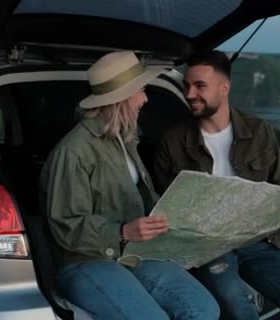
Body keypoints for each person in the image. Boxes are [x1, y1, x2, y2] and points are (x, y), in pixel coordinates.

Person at [39, 51, 219, 320]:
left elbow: (142, 199)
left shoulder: (124, 140)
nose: (145, 99)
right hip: (83, 262)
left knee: (204, 309)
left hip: (132, 254)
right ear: (122, 97)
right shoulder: (73, 152)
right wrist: (122, 232)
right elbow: (65, 226)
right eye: (142, 90)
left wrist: (177, 214)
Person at [154, 50, 280, 320]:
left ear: (225, 88)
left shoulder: (260, 131)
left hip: (257, 240)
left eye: (200, 86)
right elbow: (164, 207)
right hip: (206, 246)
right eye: (187, 85)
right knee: (239, 310)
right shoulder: (172, 141)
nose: (189, 94)